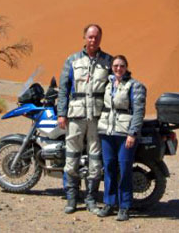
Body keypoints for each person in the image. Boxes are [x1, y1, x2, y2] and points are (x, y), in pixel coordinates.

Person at [57, 24, 113, 214]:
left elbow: (117, 85)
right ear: (84, 37)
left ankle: (90, 198)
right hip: (76, 116)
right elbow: (64, 88)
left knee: (95, 161)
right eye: (90, 37)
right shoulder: (72, 60)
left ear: (101, 38)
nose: (93, 40)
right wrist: (61, 113)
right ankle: (72, 198)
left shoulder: (108, 61)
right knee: (71, 157)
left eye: (96, 37)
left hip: (98, 118)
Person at [96, 55, 146, 221]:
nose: (118, 68)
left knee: (124, 170)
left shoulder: (135, 86)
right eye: (116, 65)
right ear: (111, 67)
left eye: (122, 66)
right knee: (109, 168)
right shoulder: (107, 84)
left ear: (126, 67)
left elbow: (139, 111)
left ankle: (124, 206)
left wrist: (132, 133)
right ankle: (109, 203)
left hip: (125, 134)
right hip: (107, 133)